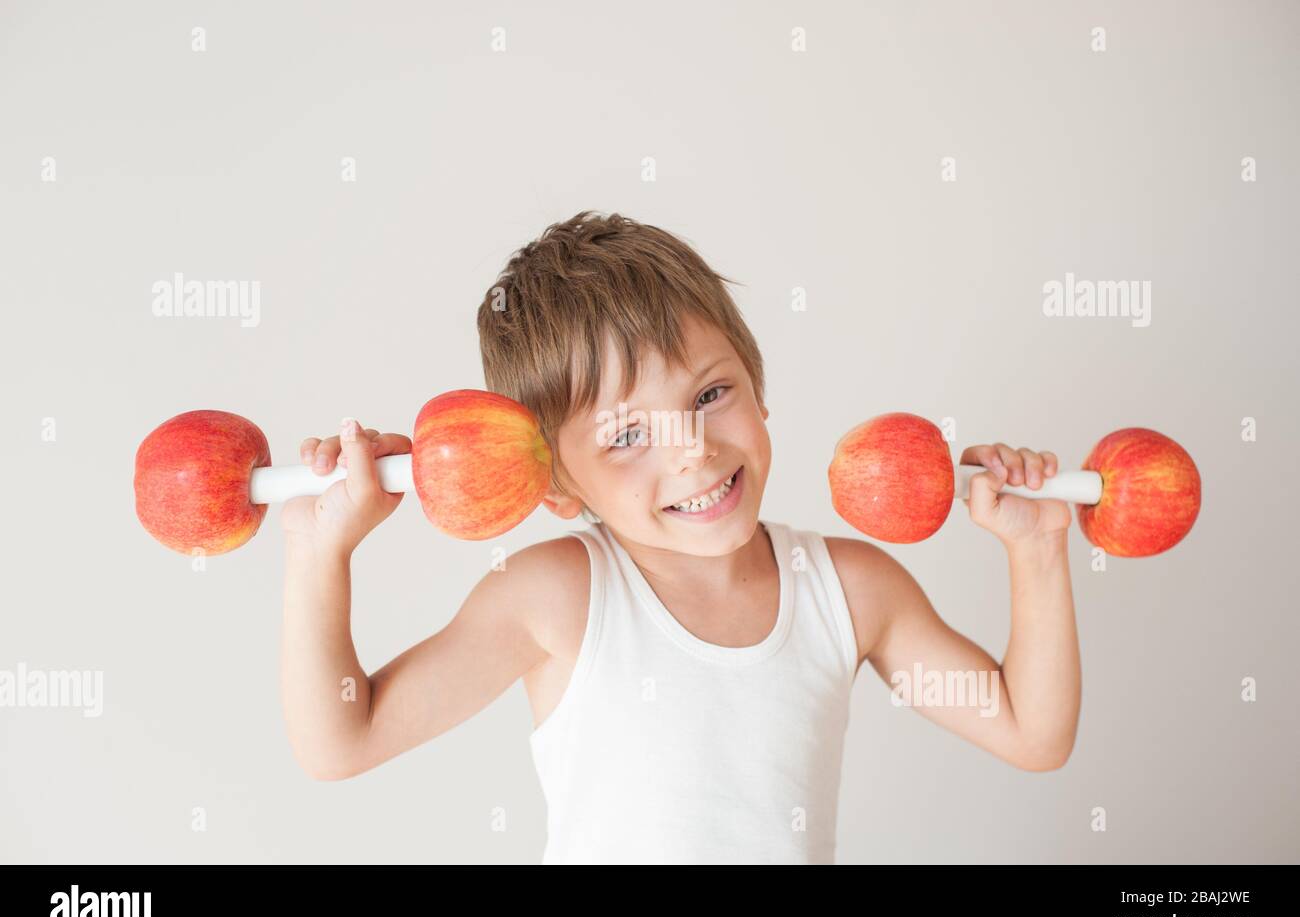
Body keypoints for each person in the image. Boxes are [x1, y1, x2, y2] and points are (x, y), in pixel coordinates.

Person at [280, 211, 1079, 864]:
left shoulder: (850, 590)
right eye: (627, 434)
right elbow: (340, 740)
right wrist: (322, 553)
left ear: (759, 387)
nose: (693, 448)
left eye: (710, 392)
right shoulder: (556, 599)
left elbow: (1030, 729)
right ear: (553, 484)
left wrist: (1036, 549)